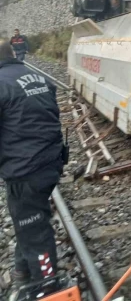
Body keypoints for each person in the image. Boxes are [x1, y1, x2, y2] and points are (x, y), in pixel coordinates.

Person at [0, 39, 66, 298]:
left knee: (34, 229)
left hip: (25, 171)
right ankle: (22, 271)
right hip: (50, 163)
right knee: (28, 222)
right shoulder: (36, 76)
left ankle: (47, 287)